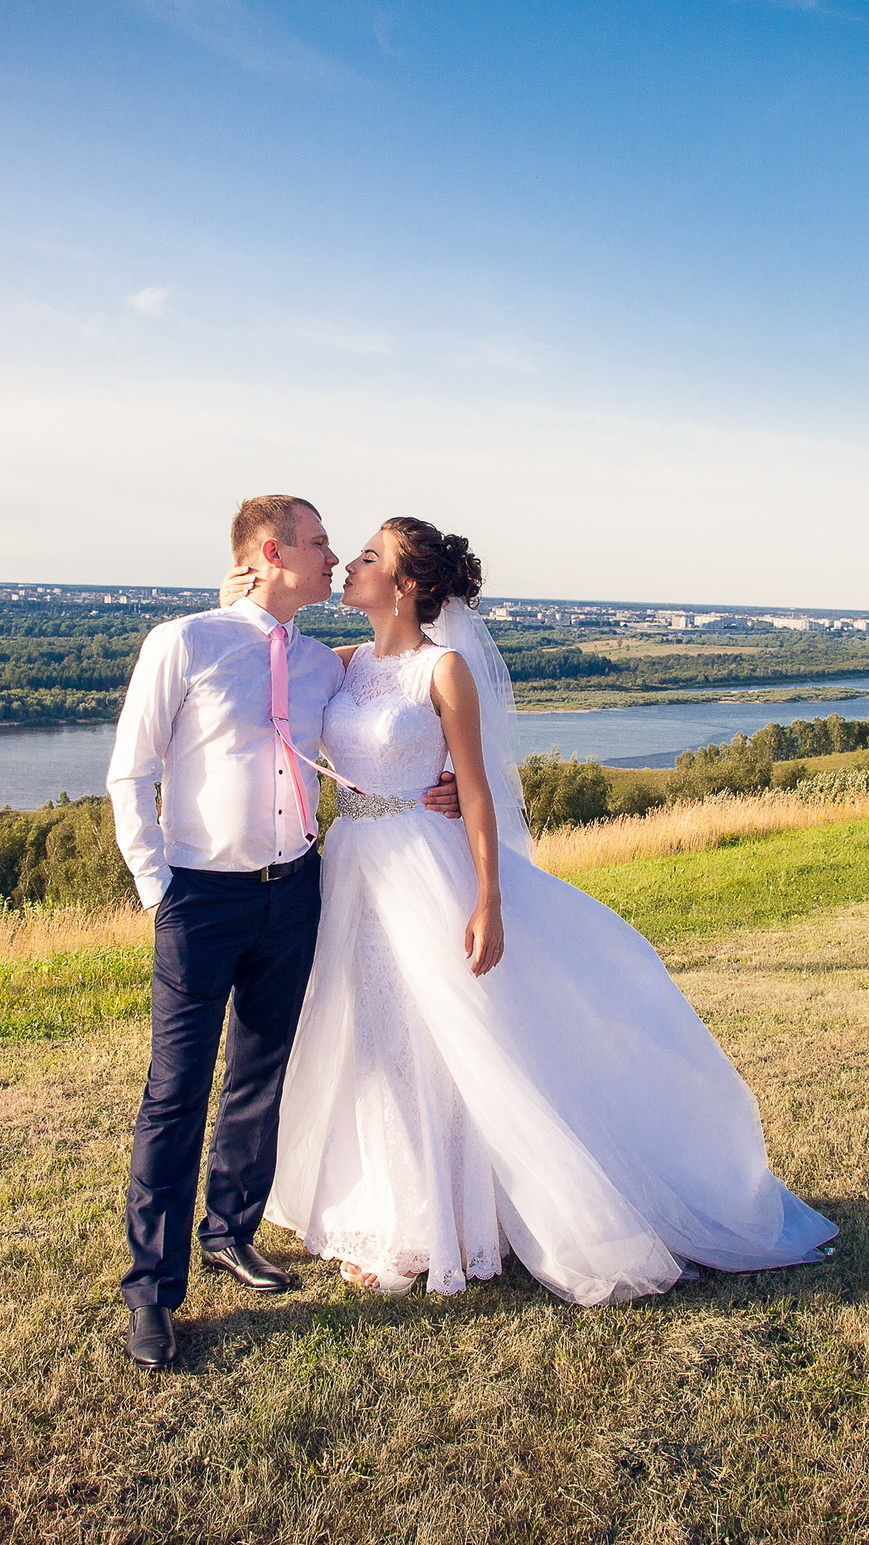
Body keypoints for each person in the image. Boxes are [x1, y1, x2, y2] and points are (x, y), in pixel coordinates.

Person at [248, 519, 836, 1305]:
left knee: (438, 1039)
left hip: (425, 867)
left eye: (368, 557)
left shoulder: (443, 669)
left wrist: (489, 899)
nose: (350, 565)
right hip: (353, 866)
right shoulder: (344, 663)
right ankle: (388, 1207)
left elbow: (477, 789)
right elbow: (268, 658)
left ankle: (433, 1228)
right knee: (372, 1040)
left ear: (407, 585)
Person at [104, 495, 461, 1370]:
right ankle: (152, 1292)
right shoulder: (183, 643)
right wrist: (159, 892)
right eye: (320, 542)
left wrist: (443, 780)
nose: (335, 557)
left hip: (296, 890)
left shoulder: (321, 665)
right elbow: (129, 774)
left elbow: (397, 704)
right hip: (200, 897)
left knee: (260, 1078)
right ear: (273, 550)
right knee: (175, 1093)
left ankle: (231, 1231)